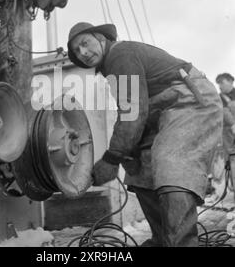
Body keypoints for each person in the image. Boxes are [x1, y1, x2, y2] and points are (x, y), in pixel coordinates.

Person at [66, 22, 223, 247]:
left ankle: (183, 243)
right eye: (77, 51)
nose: (83, 52)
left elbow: (133, 112)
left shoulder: (120, 55)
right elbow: (135, 110)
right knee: (139, 172)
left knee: (172, 163)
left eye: (85, 43)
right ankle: (163, 241)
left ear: (100, 37)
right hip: (162, 112)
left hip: (190, 101)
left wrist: (112, 158)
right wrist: (129, 154)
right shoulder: (111, 67)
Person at [216, 73, 235, 152]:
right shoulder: (218, 98)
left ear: (230, 81)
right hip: (228, 134)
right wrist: (233, 124)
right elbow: (225, 111)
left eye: (221, 82)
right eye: (218, 84)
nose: (219, 86)